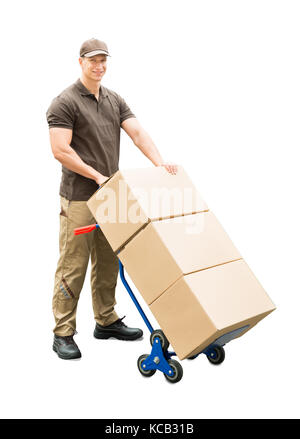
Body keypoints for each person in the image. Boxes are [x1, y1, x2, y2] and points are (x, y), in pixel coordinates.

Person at [46, 38, 178, 360]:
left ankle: (105, 320)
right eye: (93, 61)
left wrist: (159, 163)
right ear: (80, 62)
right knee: (73, 265)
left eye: (103, 60)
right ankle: (63, 332)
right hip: (79, 198)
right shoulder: (64, 102)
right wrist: (95, 175)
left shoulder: (113, 99)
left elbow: (136, 132)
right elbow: (60, 150)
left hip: (111, 195)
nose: (99, 66)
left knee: (109, 260)